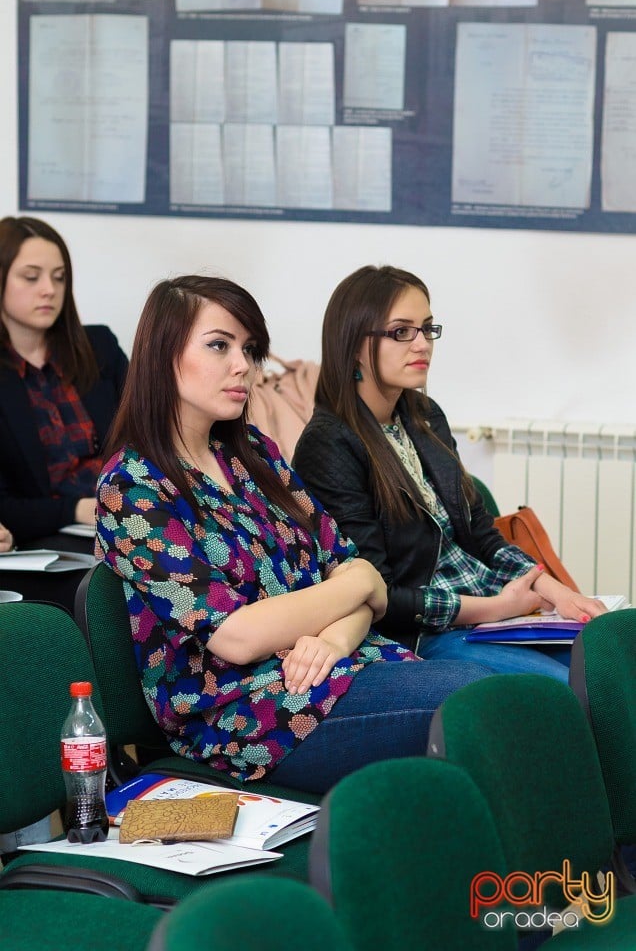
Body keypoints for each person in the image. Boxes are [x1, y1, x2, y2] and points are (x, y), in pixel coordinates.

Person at [95, 274, 493, 795]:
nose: (243, 366)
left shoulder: (253, 454)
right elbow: (238, 637)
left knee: (501, 701)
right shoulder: (132, 489)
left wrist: (333, 636)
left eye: (249, 349)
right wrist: (353, 593)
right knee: (477, 705)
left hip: (339, 664)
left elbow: (355, 567)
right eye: (219, 346)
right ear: (163, 356)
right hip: (248, 714)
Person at [293, 265, 607, 683]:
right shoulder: (328, 445)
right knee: (562, 684)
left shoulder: (423, 415)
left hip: (491, 604)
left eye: (427, 328)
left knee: (607, 663)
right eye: (401, 331)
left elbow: (481, 533)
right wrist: (500, 609)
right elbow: (377, 594)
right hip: (421, 631)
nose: (422, 344)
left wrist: (559, 594)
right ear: (353, 343)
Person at [0, 216, 128, 609]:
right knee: (94, 592)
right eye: (31, 277)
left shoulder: (99, 347)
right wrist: (73, 508)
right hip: (47, 545)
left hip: (127, 517)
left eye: (58, 277)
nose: (49, 290)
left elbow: (148, 434)